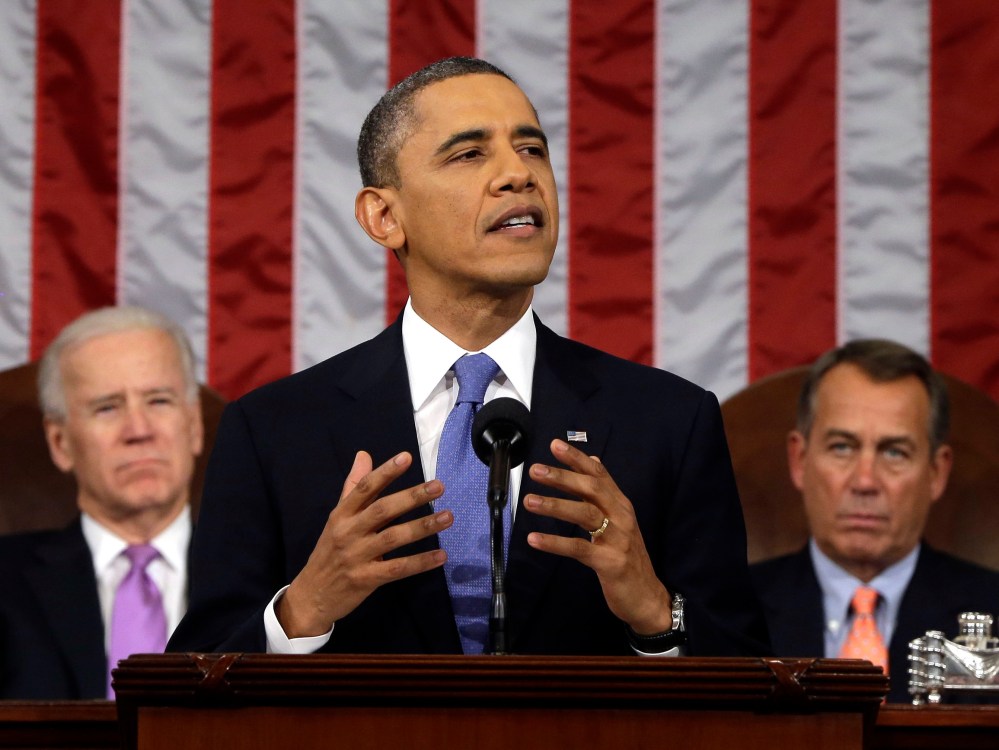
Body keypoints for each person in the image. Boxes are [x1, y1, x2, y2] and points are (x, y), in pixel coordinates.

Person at [168, 57, 769, 658]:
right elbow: (190, 688)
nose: (518, 174)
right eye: (469, 154)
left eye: (532, 149)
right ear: (384, 216)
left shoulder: (669, 422)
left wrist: (653, 612)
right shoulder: (273, 431)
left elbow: (751, 685)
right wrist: (303, 609)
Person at [750, 339, 999, 702]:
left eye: (895, 452)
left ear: (936, 472)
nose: (865, 481)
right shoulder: (733, 610)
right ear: (800, 459)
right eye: (842, 447)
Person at [0, 306, 204, 699]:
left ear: (193, 424)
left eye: (158, 401)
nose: (139, 430)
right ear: (60, 443)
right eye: (107, 407)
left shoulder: (268, 582)